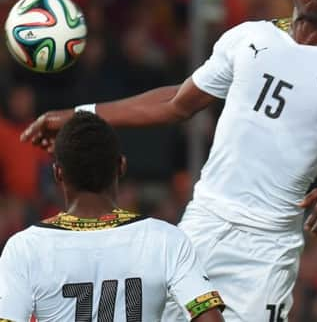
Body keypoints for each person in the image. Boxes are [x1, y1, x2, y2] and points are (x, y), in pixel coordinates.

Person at [20, 0, 317, 322]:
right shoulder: (247, 38)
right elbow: (176, 102)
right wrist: (80, 113)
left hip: (266, 250)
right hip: (203, 224)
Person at [0, 112, 225, 322]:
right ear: (121, 166)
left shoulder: (25, 248)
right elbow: (208, 317)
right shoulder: (166, 240)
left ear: (58, 172)